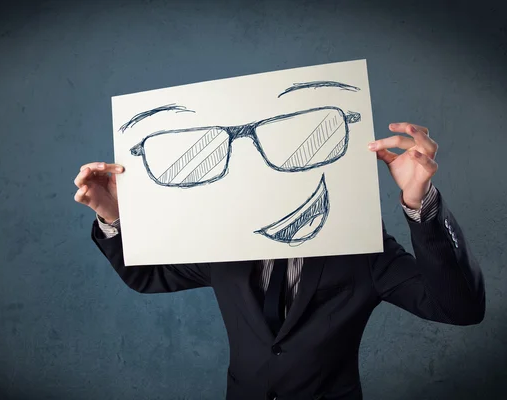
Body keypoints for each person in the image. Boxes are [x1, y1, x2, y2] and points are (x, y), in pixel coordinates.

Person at [74, 122, 485, 400]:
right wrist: (113, 215)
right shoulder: (222, 243)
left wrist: (421, 204)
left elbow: (460, 308)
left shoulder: (362, 250)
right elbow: (148, 277)